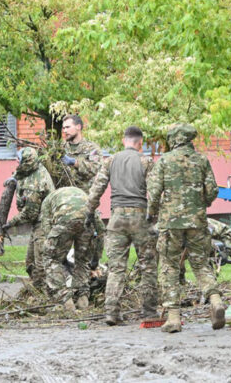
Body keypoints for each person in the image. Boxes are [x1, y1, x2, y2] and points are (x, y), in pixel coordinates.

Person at [147, 123, 221, 333]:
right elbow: (213, 190)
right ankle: (215, 301)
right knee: (200, 263)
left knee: (169, 266)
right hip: (197, 221)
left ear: (173, 140)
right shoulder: (201, 160)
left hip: (171, 223)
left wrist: (152, 212)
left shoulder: (165, 161)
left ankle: (173, 318)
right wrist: (201, 204)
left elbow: (154, 192)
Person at [85, 126, 158, 325]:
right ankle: (150, 312)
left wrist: (89, 212)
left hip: (116, 219)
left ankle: (111, 313)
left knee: (116, 268)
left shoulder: (110, 160)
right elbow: (155, 191)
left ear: (123, 139)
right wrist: (154, 215)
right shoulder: (146, 161)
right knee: (148, 266)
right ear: (140, 142)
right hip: (140, 217)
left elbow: (96, 189)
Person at [57, 115, 105, 271]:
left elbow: (95, 168)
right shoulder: (60, 149)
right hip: (65, 202)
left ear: (78, 127)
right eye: (63, 128)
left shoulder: (91, 148)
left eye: (68, 127)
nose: (64, 131)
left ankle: (93, 265)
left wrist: (75, 162)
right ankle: (63, 268)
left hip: (85, 200)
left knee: (97, 233)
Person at [3, 147, 55, 292]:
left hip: (44, 223)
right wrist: (15, 177)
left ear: (25, 161)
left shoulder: (36, 183)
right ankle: (36, 289)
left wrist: (10, 223)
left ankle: (43, 294)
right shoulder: (31, 168)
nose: (15, 161)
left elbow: (30, 213)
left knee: (40, 263)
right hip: (38, 222)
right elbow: (23, 173)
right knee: (30, 262)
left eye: (18, 159)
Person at [40, 186, 93, 311]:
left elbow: (47, 228)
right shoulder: (81, 193)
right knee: (82, 260)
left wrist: (57, 253)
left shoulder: (47, 201)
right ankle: (83, 299)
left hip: (64, 220)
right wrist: (97, 255)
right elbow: (100, 226)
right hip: (87, 221)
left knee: (50, 257)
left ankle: (66, 301)